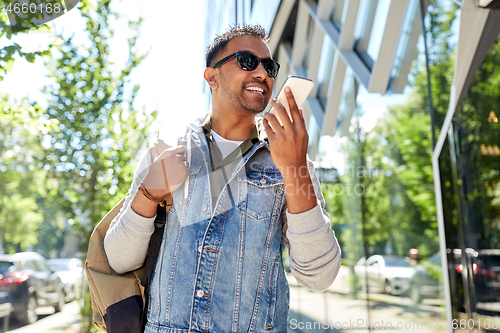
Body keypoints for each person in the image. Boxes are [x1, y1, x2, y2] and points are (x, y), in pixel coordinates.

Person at [104, 24, 341, 333]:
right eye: (247, 61)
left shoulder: (292, 162)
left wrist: (295, 169)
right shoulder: (167, 152)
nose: (263, 74)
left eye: (269, 67)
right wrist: (148, 194)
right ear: (212, 76)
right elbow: (119, 260)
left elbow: (319, 277)